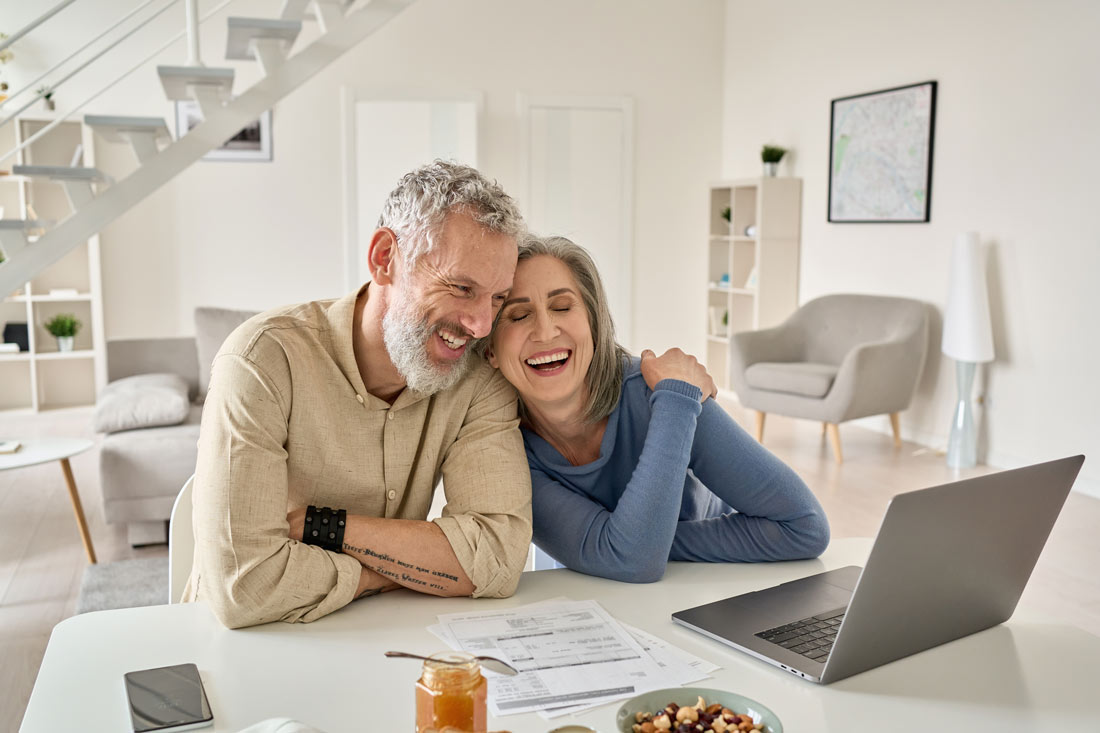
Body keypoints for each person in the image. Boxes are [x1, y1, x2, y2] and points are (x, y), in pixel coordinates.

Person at [184, 161, 533, 628]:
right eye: (461, 287)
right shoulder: (262, 359)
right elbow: (244, 586)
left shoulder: (478, 380)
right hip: (239, 647)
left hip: (375, 641)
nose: (481, 325)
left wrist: (322, 527)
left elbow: (497, 556)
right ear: (385, 257)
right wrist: (399, 571)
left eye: (496, 298)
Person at [486, 235, 830, 583]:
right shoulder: (501, 450)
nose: (545, 331)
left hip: (708, 588)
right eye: (518, 315)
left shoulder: (666, 394)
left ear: (593, 322)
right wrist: (631, 545)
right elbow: (631, 559)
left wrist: (634, 542)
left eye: (562, 307)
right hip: (595, 601)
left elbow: (805, 526)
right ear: (490, 352)